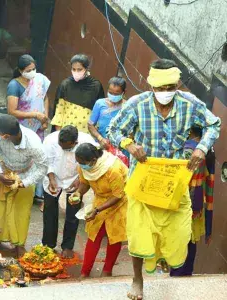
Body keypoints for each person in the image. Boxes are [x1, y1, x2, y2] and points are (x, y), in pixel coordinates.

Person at [107, 58, 220, 300]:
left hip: (174, 182)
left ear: (177, 84)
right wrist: (129, 144)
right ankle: (137, 279)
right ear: (150, 86)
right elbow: (113, 130)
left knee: (179, 232)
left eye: (170, 88)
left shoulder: (190, 104)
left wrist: (201, 148)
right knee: (138, 233)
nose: (165, 93)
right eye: (160, 89)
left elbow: (214, 124)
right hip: (143, 180)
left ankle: (165, 261)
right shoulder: (137, 105)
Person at [0, 115, 48, 257]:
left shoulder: (33, 143)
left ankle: (19, 244)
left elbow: (43, 167)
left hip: (26, 175)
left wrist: (24, 183)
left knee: (22, 213)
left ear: (6, 136)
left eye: (1, 134)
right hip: (3, 172)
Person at [42, 125, 98, 258]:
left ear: (75, 143)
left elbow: (91, 163)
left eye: (67, 147)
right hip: (53, 177)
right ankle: (48, 245)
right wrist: (51, 178)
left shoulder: (87, 142)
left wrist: (80, 179)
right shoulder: (50, 140)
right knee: (49, 212)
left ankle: (67, 246)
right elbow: (45, 161)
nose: (63, 149)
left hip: (75, 178)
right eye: (61, 146)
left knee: (73, 214)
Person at [72, 143, 128, 278]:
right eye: (78, 162)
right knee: (94, 235)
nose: (80, 165)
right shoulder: (83, 166)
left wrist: (97, 210)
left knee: (114, 237)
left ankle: (107, 270)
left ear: (93, 160)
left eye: (82, 163)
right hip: (100, 200)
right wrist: (78, 193)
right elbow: (85, 183)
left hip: (118, 202)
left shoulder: (112, 169)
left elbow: (117, 195)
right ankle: (85, 272)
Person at [7, 54, 51, 210]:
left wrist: (44, 117)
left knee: (39, 158)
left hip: (38, 128)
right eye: (28, 70)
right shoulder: (14, 85)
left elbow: (45, 97)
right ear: (20, 71)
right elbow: (12, 111)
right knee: (22, 158)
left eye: (33, 69)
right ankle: (19, 187)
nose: (32, 72)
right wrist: (35, 115)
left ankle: (37, 194)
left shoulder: (40, 80)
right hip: (22, 129)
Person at [170, 125, 215, 276]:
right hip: (197, 202)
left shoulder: (185, 150)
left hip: (181, 201)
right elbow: (209, 179)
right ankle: (187, 271)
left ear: (189, 132)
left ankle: (177, 271)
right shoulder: (208, 151)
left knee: (179, 238)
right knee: (191, 238)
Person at [51, 54, 104, 133]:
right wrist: (58, 133)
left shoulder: (96, 86)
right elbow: (59, 111)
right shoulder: (65, 85)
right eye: (74, 69)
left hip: (86, 133)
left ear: (86, 69)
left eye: (79, 69)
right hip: (66, 132)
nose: (76, 72)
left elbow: (99, 112)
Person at [88, 77, 126, 149]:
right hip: (101, 145)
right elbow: (90, 125)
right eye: (111, 93)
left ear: (123, 92)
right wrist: (100, 139)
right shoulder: (99, 103)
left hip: (120, 147)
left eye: (116, 94)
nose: (113, 96)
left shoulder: (127, 106)